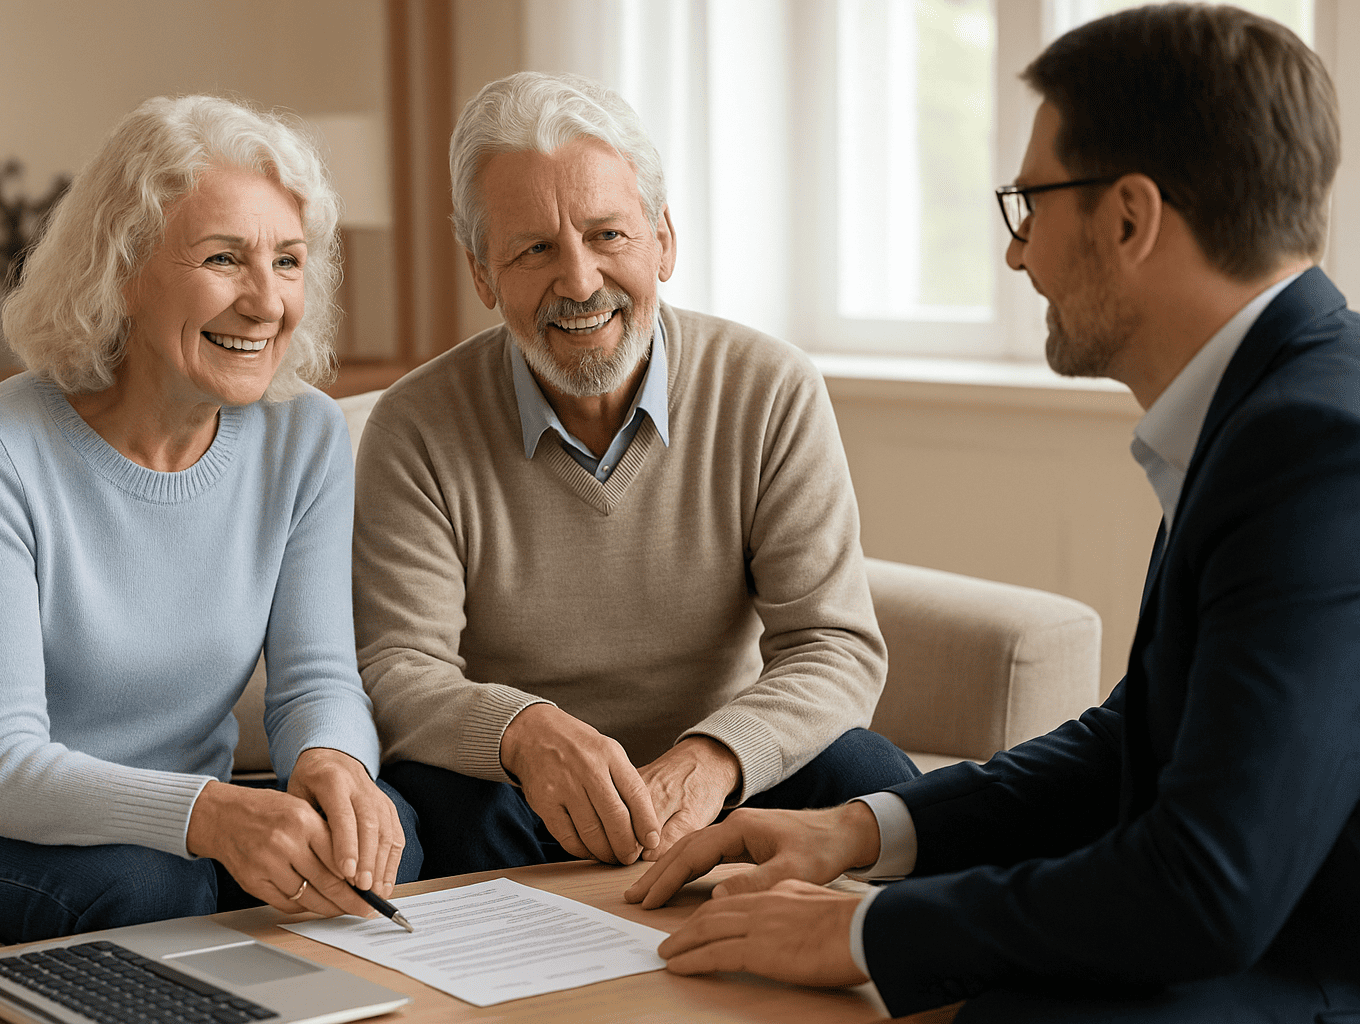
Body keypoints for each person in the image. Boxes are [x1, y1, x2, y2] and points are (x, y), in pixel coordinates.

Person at [628, 5, 1360, 1020]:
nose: (1018, 256)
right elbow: (1134, 738)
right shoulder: (1269, 406)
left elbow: (1206, 888)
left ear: (1130, 217)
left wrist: (857, 930)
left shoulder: (1318, 447)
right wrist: (860, 831)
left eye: (1032, 204)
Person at [0, 95, 420, 945]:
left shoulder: (304, 437)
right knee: (146, 883)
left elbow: (315, 680)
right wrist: (216, 817)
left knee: (382, 841)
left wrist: (334, 763)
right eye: (226, 258)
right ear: (121, 268)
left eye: (289, 261)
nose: (267, 302)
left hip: (178, 827)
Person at [353, 72, 917, 879]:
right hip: (520, 796)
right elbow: (397, 667)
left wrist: (714, 757)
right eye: (534, 249)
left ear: (664, 240)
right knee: (436, 804)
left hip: (721, 785)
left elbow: (833, 645)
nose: (579, 282)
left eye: (607, 235)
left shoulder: (769, 388)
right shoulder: (416, 425)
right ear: (482, 274)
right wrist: (524, 731)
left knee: (872, 780)